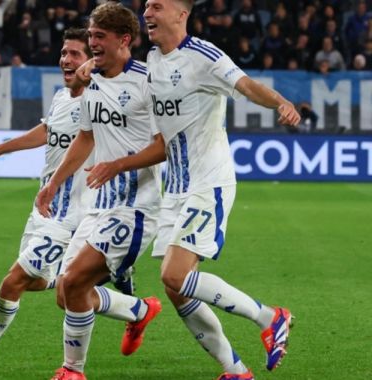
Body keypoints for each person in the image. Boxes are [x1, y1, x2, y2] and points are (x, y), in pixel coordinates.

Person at [82, 0, 300, 378]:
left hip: (208, 181)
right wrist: (93, 68)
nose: (147, 12)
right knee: (177, 289)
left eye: (156, 6)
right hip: (176, 189)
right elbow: (159, 141)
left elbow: (246, 85)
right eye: (146, 6)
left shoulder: (202, 55)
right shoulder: (151, 62)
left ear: (181, 14)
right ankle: (235, 370)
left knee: (175, 275)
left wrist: (280, 102)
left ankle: (269, 316)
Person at [0, 28, 133, 375]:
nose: (66, 59)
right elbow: (47, 131)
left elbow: (91, 147)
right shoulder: (62, 97)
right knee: (53, 287)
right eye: (64, 52)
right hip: (45, 210)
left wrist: (56, 185)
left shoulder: (99, 101)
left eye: (75, 54)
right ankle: (137, 309)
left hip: (72, 213)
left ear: (90, 61)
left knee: (13, 281)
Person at [35, 3, 164, 379]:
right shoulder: (91, 83)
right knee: (66, 291)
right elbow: (86, 138)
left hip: (137, 205)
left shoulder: (146, 82)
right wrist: (53, 184)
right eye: (90, 36)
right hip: (99, 206)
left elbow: (163, 145)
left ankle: (72, 371)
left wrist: (117, 165)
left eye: (99, 37)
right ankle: (139, 310)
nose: (92, 43)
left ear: (124, 40)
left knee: (75, 281)